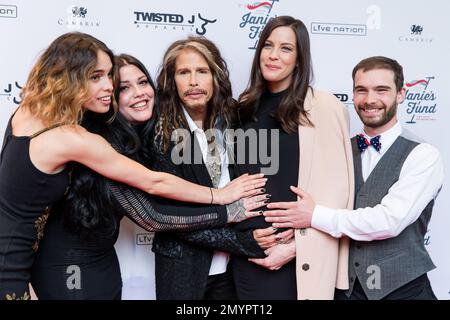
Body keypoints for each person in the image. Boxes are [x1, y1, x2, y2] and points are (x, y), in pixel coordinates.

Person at [0, 32, 265, 300]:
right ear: (71, 77)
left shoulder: (29, 113)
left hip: (96, 260)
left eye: (108, 77)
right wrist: (222, 203)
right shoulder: (78, 140)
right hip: (49, 264)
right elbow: (153, 202)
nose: (106, 86)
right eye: (98, 78)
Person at [264, 56, 444, 300]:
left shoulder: (423, 155)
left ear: (401, 94)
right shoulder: (340, 150)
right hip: (345, 289)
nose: (370, 100)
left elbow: (388, 221)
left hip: (404, 290)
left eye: (381, 90)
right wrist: (295, 246)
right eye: (361, 90)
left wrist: (314, 214)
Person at [149, 36, 282, 300]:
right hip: (184, 269)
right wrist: (243, 243)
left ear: (215, 77)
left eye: (202, 71)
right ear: (171, 81)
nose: (194, 82)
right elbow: (171, 217)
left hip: (238, 272)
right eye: (183, 72)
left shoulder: (236, 121)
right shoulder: (160, 132)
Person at [232, 16, 354, 300]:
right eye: (268, 46)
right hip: (248, 256)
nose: (274, 55)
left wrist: (295, 247)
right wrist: (245, 240)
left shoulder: (322, 106)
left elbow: (338, 195)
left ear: (299, 60)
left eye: (286, 48)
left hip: (299, 258)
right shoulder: (242, 109)